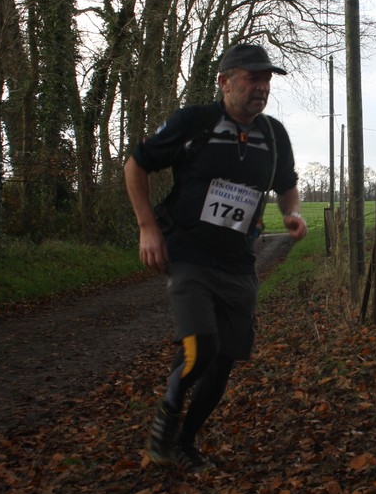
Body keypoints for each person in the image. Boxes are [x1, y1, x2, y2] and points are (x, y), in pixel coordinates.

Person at [124, 43, 307, 471]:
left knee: (224, 359)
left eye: (267, 80)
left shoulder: (274, 135)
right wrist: (147, 227)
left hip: (239, 261)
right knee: (202, 345)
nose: (262, 87)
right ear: (224, 81)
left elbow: (287, 186)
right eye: (252, 77)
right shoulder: (195, 122)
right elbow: (136, 164)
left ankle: (185, 443)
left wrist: (293, 213)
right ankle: (167, 417)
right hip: (189, 253)